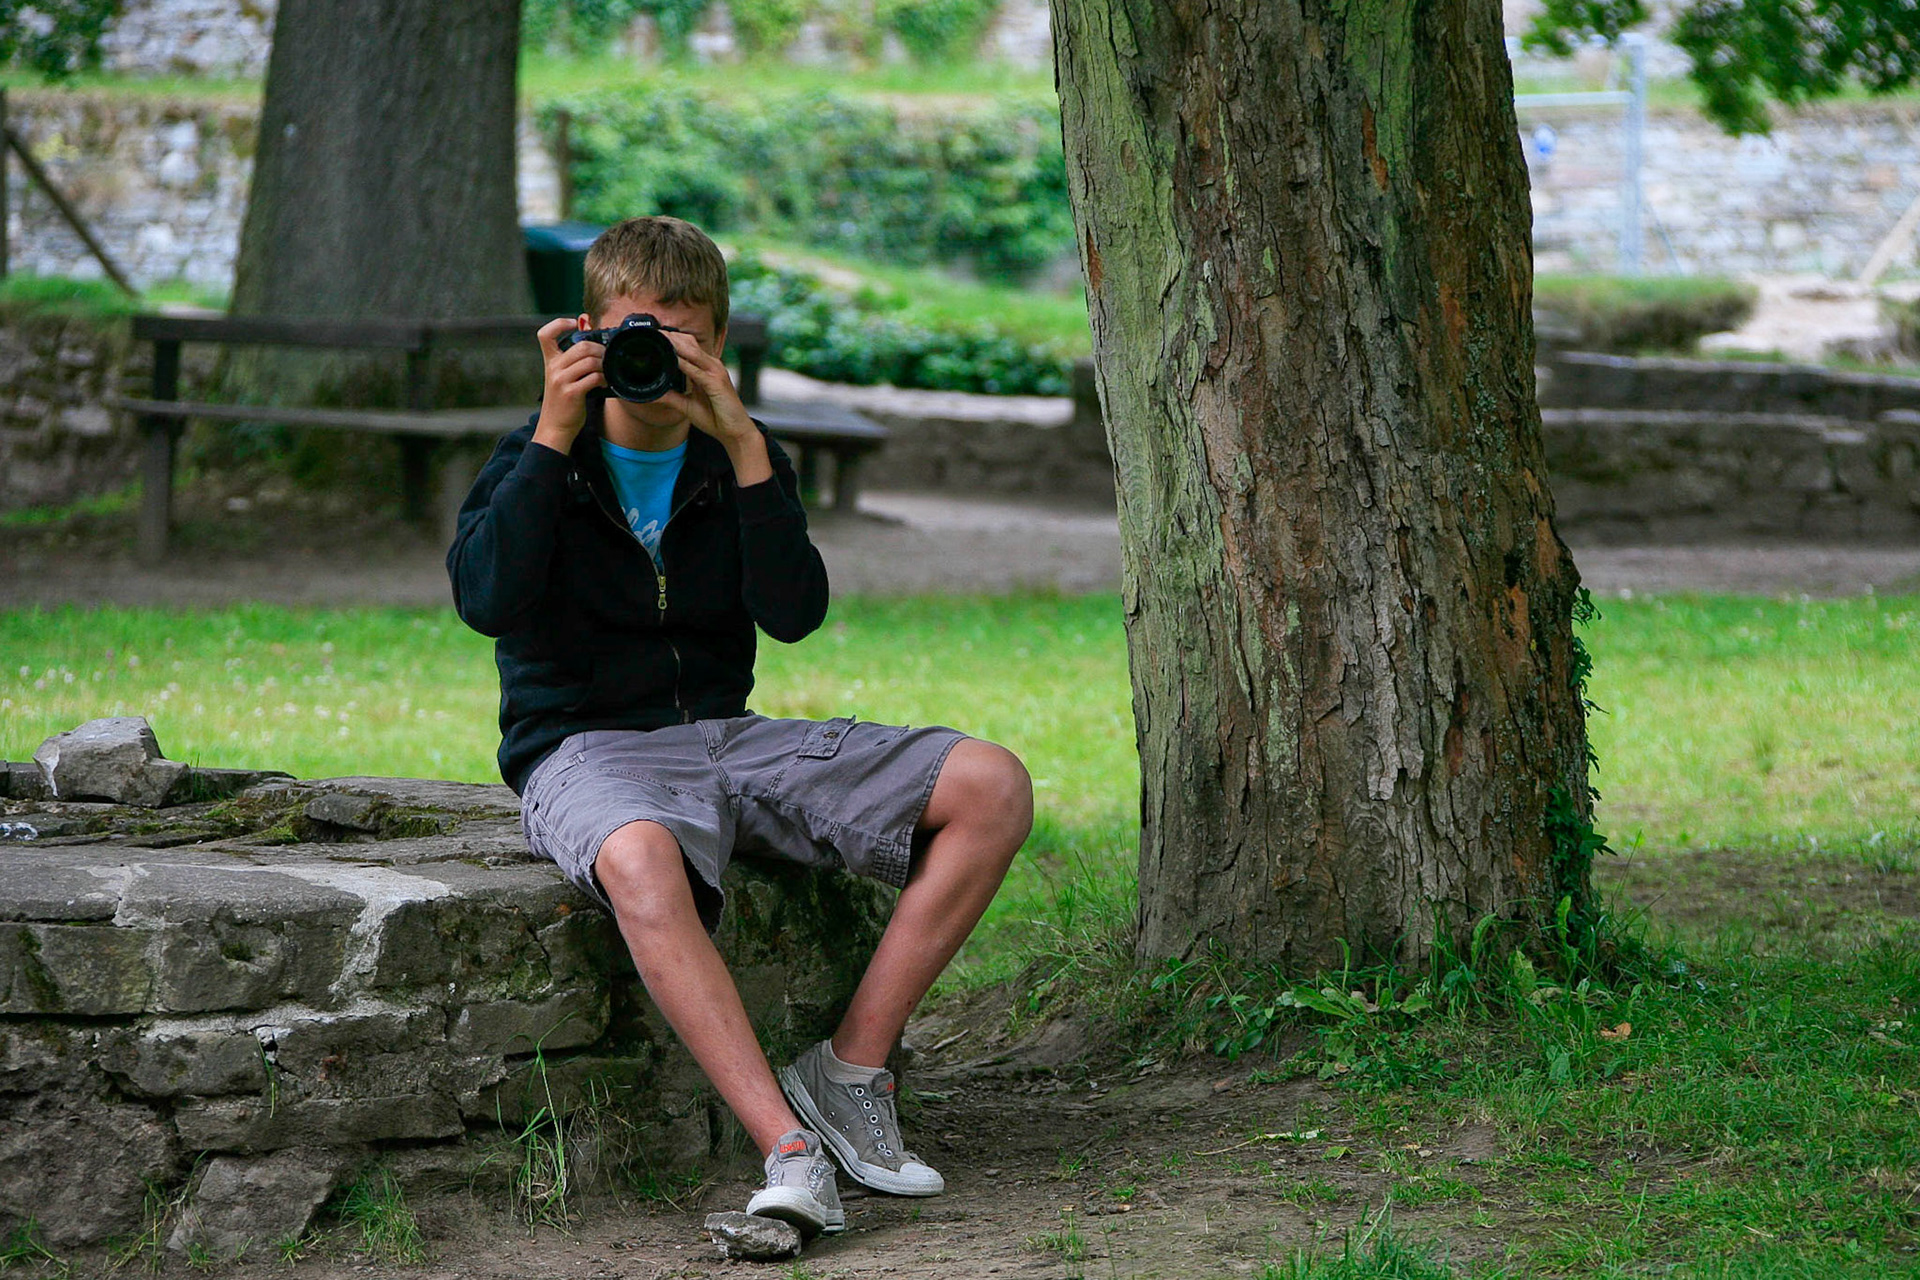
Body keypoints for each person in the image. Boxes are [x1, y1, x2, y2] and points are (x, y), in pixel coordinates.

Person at [446, 215, 1033, 1239]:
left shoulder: (736, 460)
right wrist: (550, 431)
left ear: (715, 346)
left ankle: (849, 1073)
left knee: (992, 782)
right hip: (582, 748)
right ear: (589, 333)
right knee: (637, 852)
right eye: (636, 336)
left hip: (727, 732)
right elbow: (488, 597)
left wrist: (746, 442)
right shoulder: (536, 458)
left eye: (683, 343)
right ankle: (790, 1149)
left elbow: (795, 611)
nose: (657, 364)